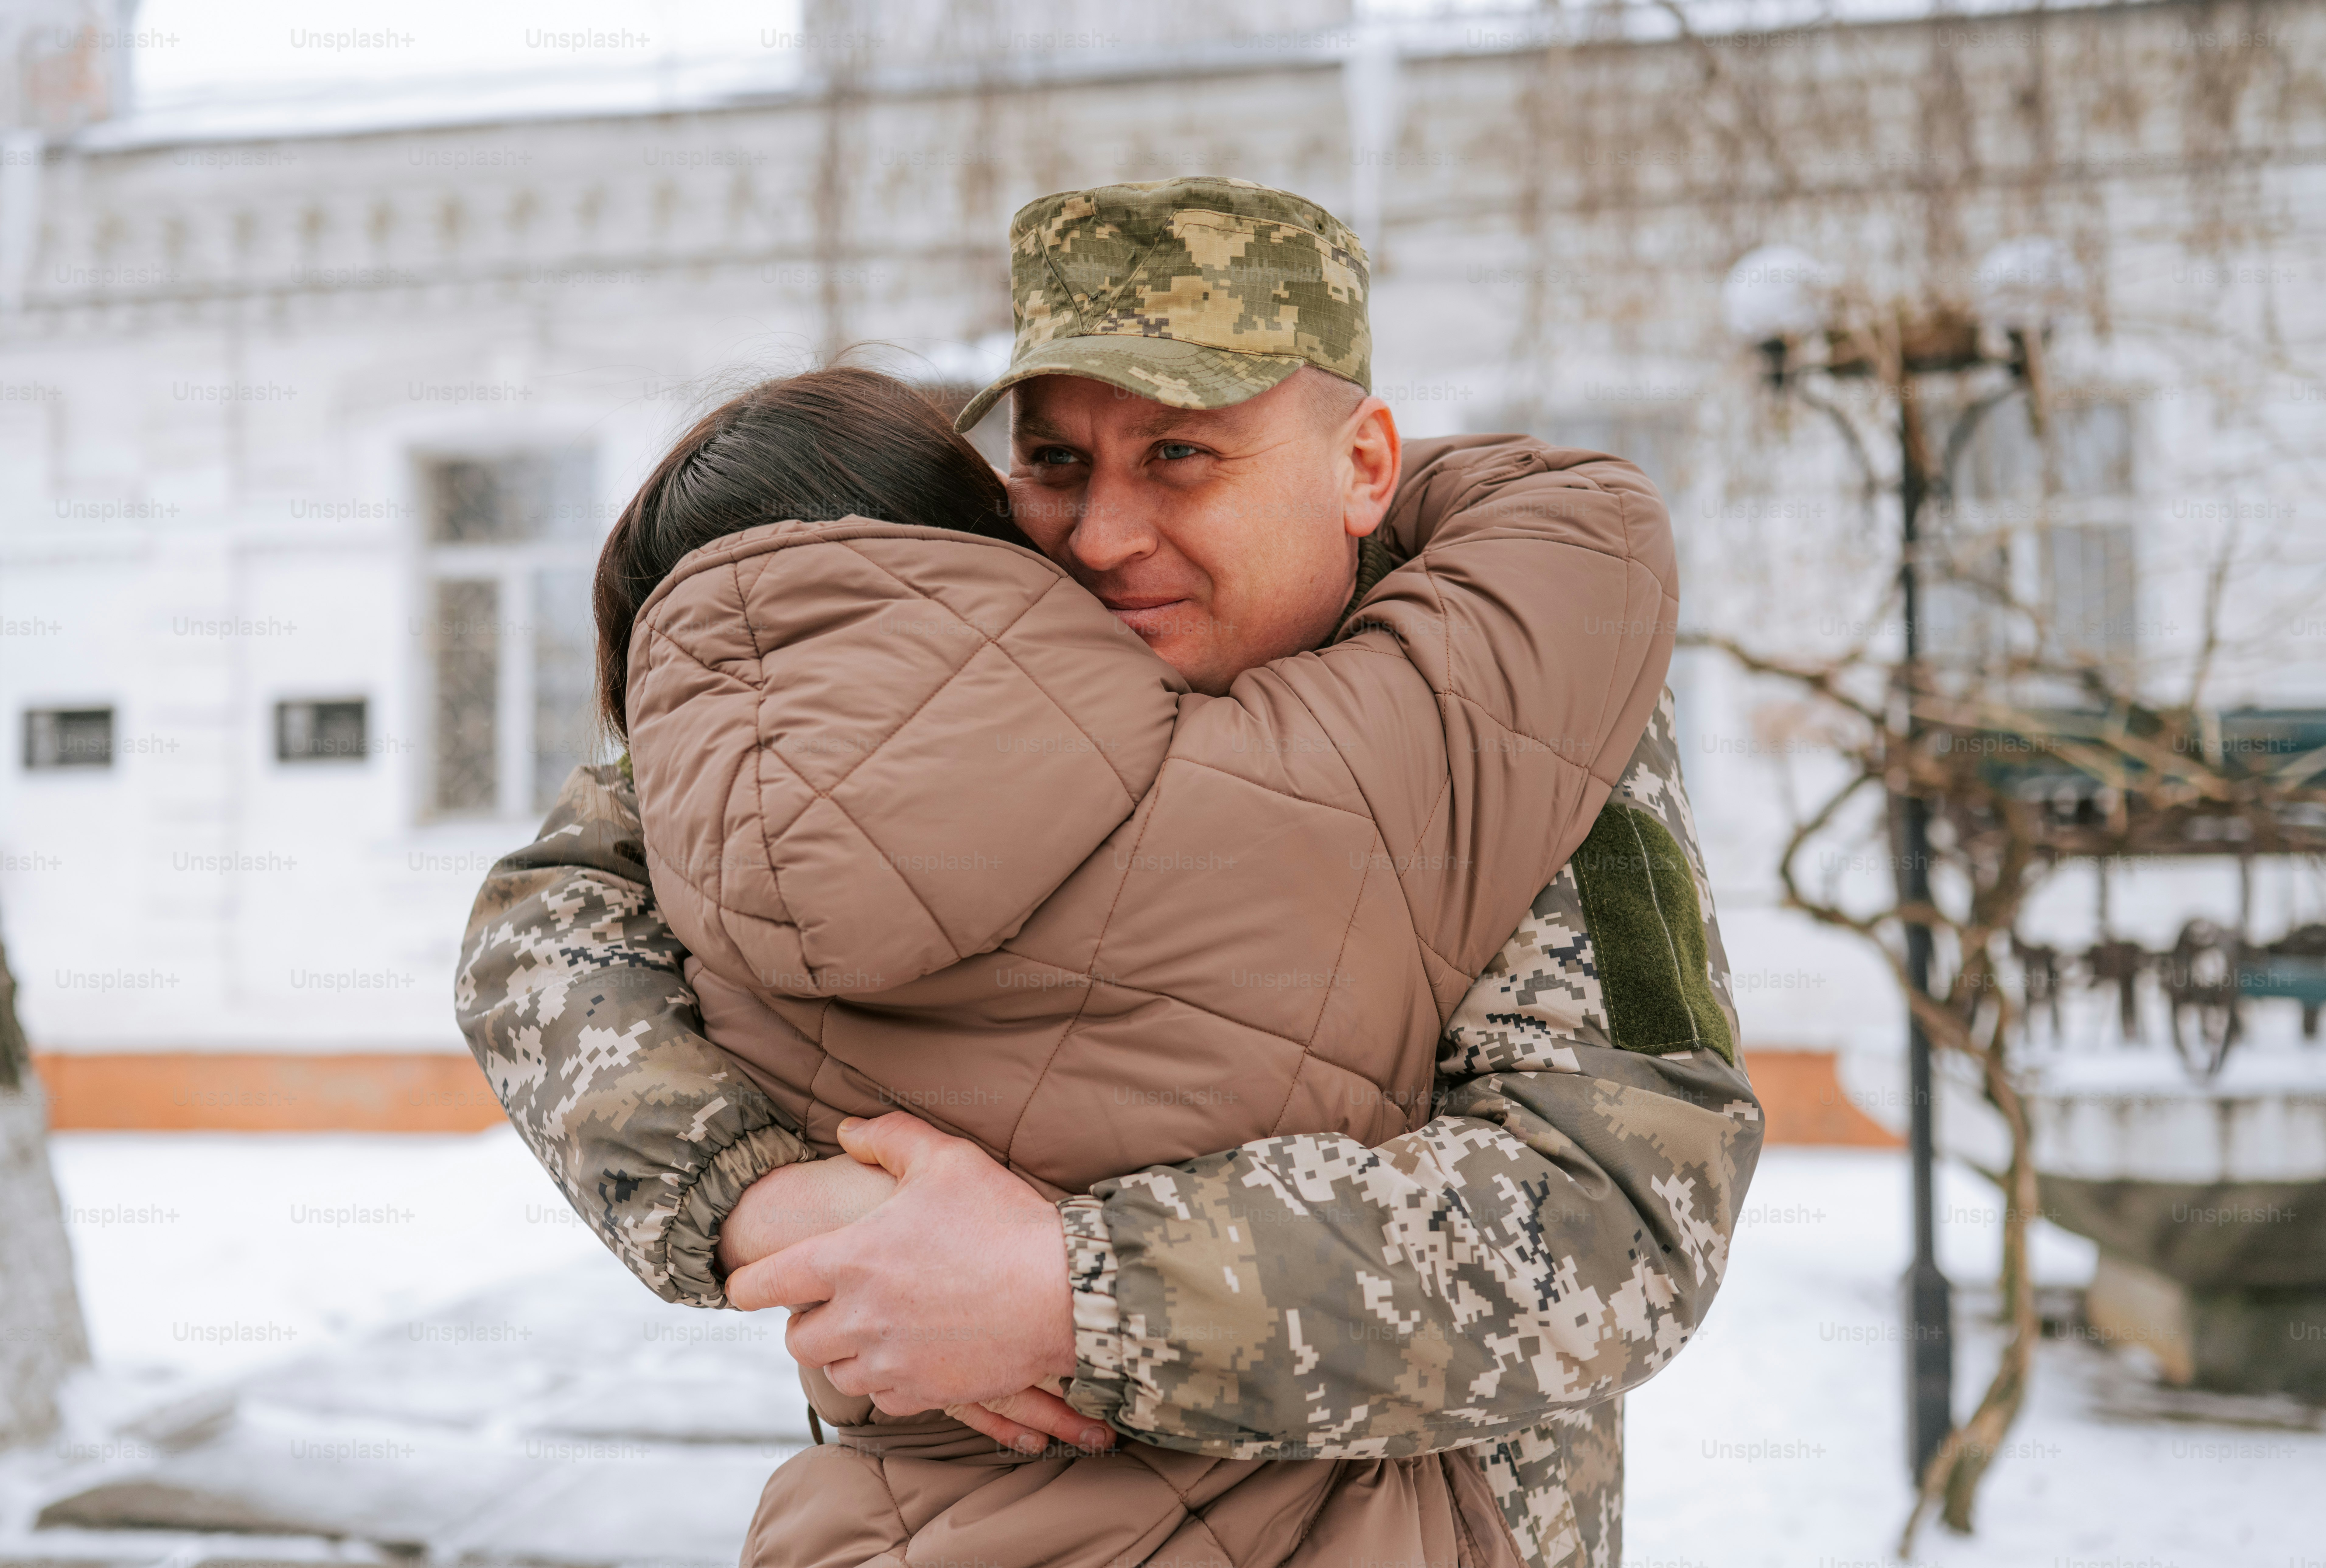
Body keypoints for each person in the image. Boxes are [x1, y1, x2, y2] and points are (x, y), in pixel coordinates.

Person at [458, 177, 1763, 1568]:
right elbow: (549, 915)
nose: (1100, 537)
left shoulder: (1528, 711)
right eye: (1056, 462)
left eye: (1182, 455)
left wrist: (1071, 1290)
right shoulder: (966, 670)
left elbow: (1625, 1217)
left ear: (1364, 467)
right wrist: (760, 1196)